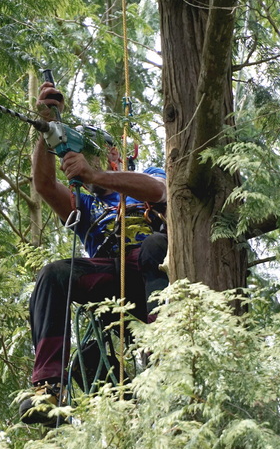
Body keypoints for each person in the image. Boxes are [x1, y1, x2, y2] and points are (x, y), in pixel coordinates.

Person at [19, 81, 169, 426]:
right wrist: (46, 127)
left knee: (153, 245)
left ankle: (163, 344)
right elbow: (43, 185)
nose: (88, 161)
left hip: (154, 271)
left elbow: (159, 190)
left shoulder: (147, 176)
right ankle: (48, 388)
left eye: (97, 154)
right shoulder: (84, 205)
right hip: (111, 281)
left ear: (116, 156)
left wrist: (95, 173)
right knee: (54, 274)